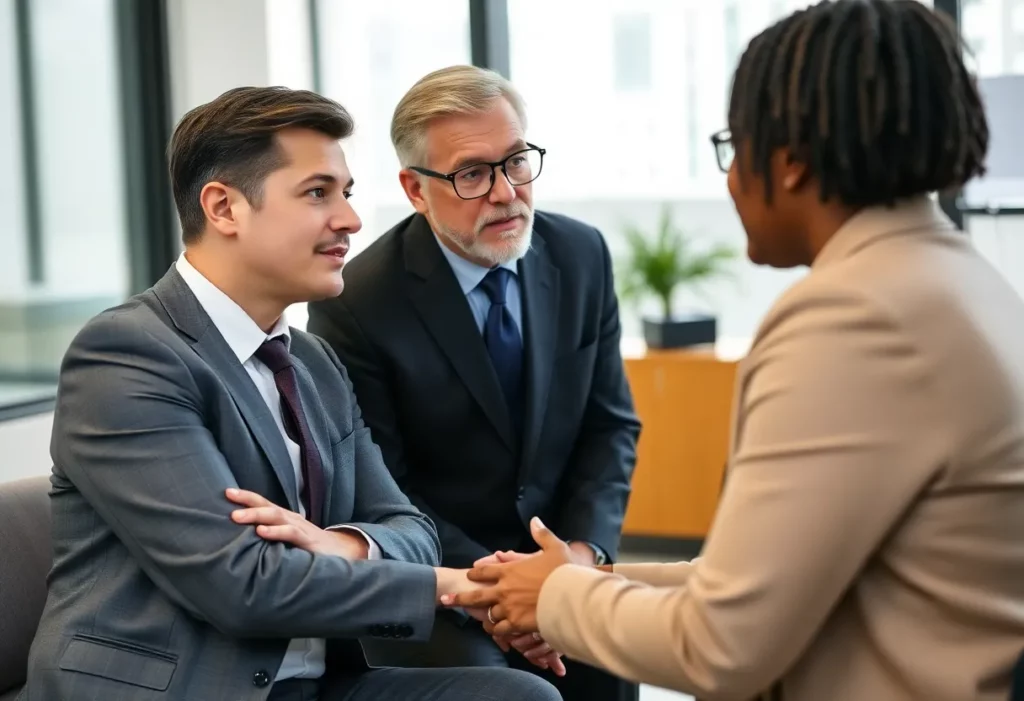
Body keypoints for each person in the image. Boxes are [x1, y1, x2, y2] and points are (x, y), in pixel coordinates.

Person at [446, 2, 1024, 700]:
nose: (730, 177)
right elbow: (768, 582)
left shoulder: (856, 317)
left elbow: (720, 642)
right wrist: (578, 582)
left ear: (786, 161)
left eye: (733, 146)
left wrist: (559, 596)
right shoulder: (954, 281)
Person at [20, 86, 560, 701]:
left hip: (314, 684)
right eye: (317, 193)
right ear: (224, 208)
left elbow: (410, 527)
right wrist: (461, 586)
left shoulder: (311, 360)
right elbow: (244, 586)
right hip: (183, 688)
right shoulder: (127, 354)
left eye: (347, 194)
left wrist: (345, 543)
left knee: (520, 696)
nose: (351, 220)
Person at [306, 65, 641, 701]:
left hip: (562, 561)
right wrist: (499, 590)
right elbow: (384, 487)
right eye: (471, 174)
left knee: (616, 664)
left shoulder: (581, 256)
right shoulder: (358, 304)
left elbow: (609, 426)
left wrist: (575, 560)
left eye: (516, 161)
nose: (505, 193)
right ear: (414, 188)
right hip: (445, 582)